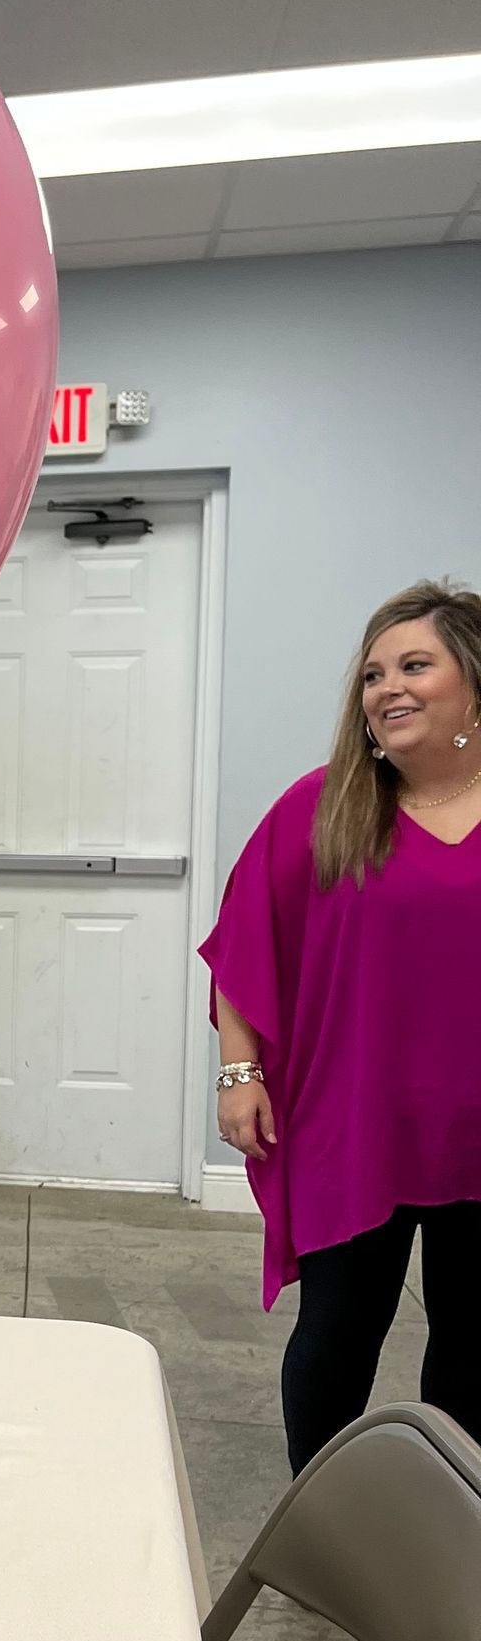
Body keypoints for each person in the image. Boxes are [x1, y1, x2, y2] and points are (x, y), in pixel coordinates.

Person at [201, 580, 481, 1474]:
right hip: (353, 1120)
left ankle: (446, 1515)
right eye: (371, 674)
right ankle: (317, 1514)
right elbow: (247, 943)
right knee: (336, 1336)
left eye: (413, 665)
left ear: (473, 680)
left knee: (474, 1342)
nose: (386, 688)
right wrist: (239, 1073)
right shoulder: (325, 808)